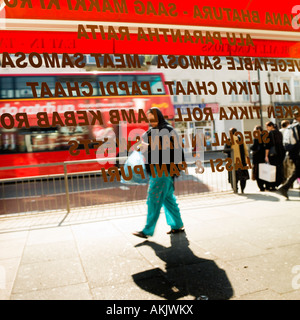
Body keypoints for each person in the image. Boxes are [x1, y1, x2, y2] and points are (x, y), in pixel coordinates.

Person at [132, 108, 185, 239]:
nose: (151, 122)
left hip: (163, 170)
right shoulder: (151, 131)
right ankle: (177, 225)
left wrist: (149, 146)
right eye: (149, 119)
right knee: (168, 199)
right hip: (160, 170)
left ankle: (147, 230)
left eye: (153, 119)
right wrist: (141, 146)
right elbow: (141, 146)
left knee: (153, 199)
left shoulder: (167, 130)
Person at [278, 110, 300, 199]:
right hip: (298, 153)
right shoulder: (297, 127)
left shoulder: (291, 127)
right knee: (297, 172)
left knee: (297, 171)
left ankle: (284, 187)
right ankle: (284, 187)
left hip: (293, 153)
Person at [224, 128, 250, 194]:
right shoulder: (241, 139)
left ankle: (235, 189)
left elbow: (225, 150)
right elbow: (245, 150)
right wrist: (247, 157)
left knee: (233, 177)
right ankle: (242, 189)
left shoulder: (229, 139)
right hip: (241, 161)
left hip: (232, 162)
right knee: (242, 177)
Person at [264, 121, 285, 191]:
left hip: (273, 154)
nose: (266, 128)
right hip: (280, 153)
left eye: (267, 127)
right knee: (279, 169)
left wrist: (266, 155)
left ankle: (272, 185)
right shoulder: (279, 133)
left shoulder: (270, 133)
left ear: (271, 126)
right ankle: (277, 183)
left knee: (272, 169)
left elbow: (268, 145)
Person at [250, 125, 267, 191]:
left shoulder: (256, 138)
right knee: (263, 172)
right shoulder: (265, 137)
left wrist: (251, 148)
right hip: (263, 157)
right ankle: (266, 186)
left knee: (257, 173)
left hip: (257, 158)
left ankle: (261, 187)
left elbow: (254, 147)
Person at [280, 120, 295, 185]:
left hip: (281, 152)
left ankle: (284, 181)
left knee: (283, 167)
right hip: (288, 151)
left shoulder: (280, 131)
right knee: (290, 168)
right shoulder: (289, 131)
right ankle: (289, 183)